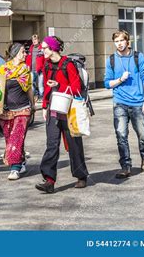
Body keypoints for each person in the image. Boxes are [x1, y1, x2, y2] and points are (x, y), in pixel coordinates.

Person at [36, 36, 89, 194]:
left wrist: (60, 85)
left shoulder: (68, 64)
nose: (42, 50)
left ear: (53, 48)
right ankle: (49, 180)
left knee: (74, 144)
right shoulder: (46, 65)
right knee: (52, 144)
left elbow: (77, 87)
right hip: (53, 109)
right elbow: (46, 88)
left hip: (69, 109)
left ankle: (81, 176)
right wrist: (44, 106)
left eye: (45, 47)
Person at [104, 30, 144, 179]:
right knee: (121, 135)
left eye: (121, 41)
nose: (119, 44)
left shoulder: (138, 57)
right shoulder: (111, 60)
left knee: (143, 134)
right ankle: (126, 166)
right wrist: (120, 80)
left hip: (138, 102)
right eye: (116, 41)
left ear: (127, 41)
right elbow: (107, 84)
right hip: (120, 103)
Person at [0, 43, 35, 181]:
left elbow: (29, 88)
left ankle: (15, 168)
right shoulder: (3, 70)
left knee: (16, 138)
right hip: (6, 111)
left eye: (25, 52)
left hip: (22, 109)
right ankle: (21, 160)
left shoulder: (25, 69)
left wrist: (33, 105)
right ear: (14, 54)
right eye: (22, 52)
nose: (25, 54)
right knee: (9, 139)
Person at [26, 34, 45, 101]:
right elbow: (28, 59)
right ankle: (35, 96)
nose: (34, 41)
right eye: (33, 40)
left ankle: (42, 97)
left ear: (38, 40)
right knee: (32, 84)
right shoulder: (31, 48)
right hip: (32, 70)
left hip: (40, 70)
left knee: (40, 85)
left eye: (35, 39)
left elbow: (45, 60)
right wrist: (28, 66)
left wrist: (43, 68)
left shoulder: (42, 49)